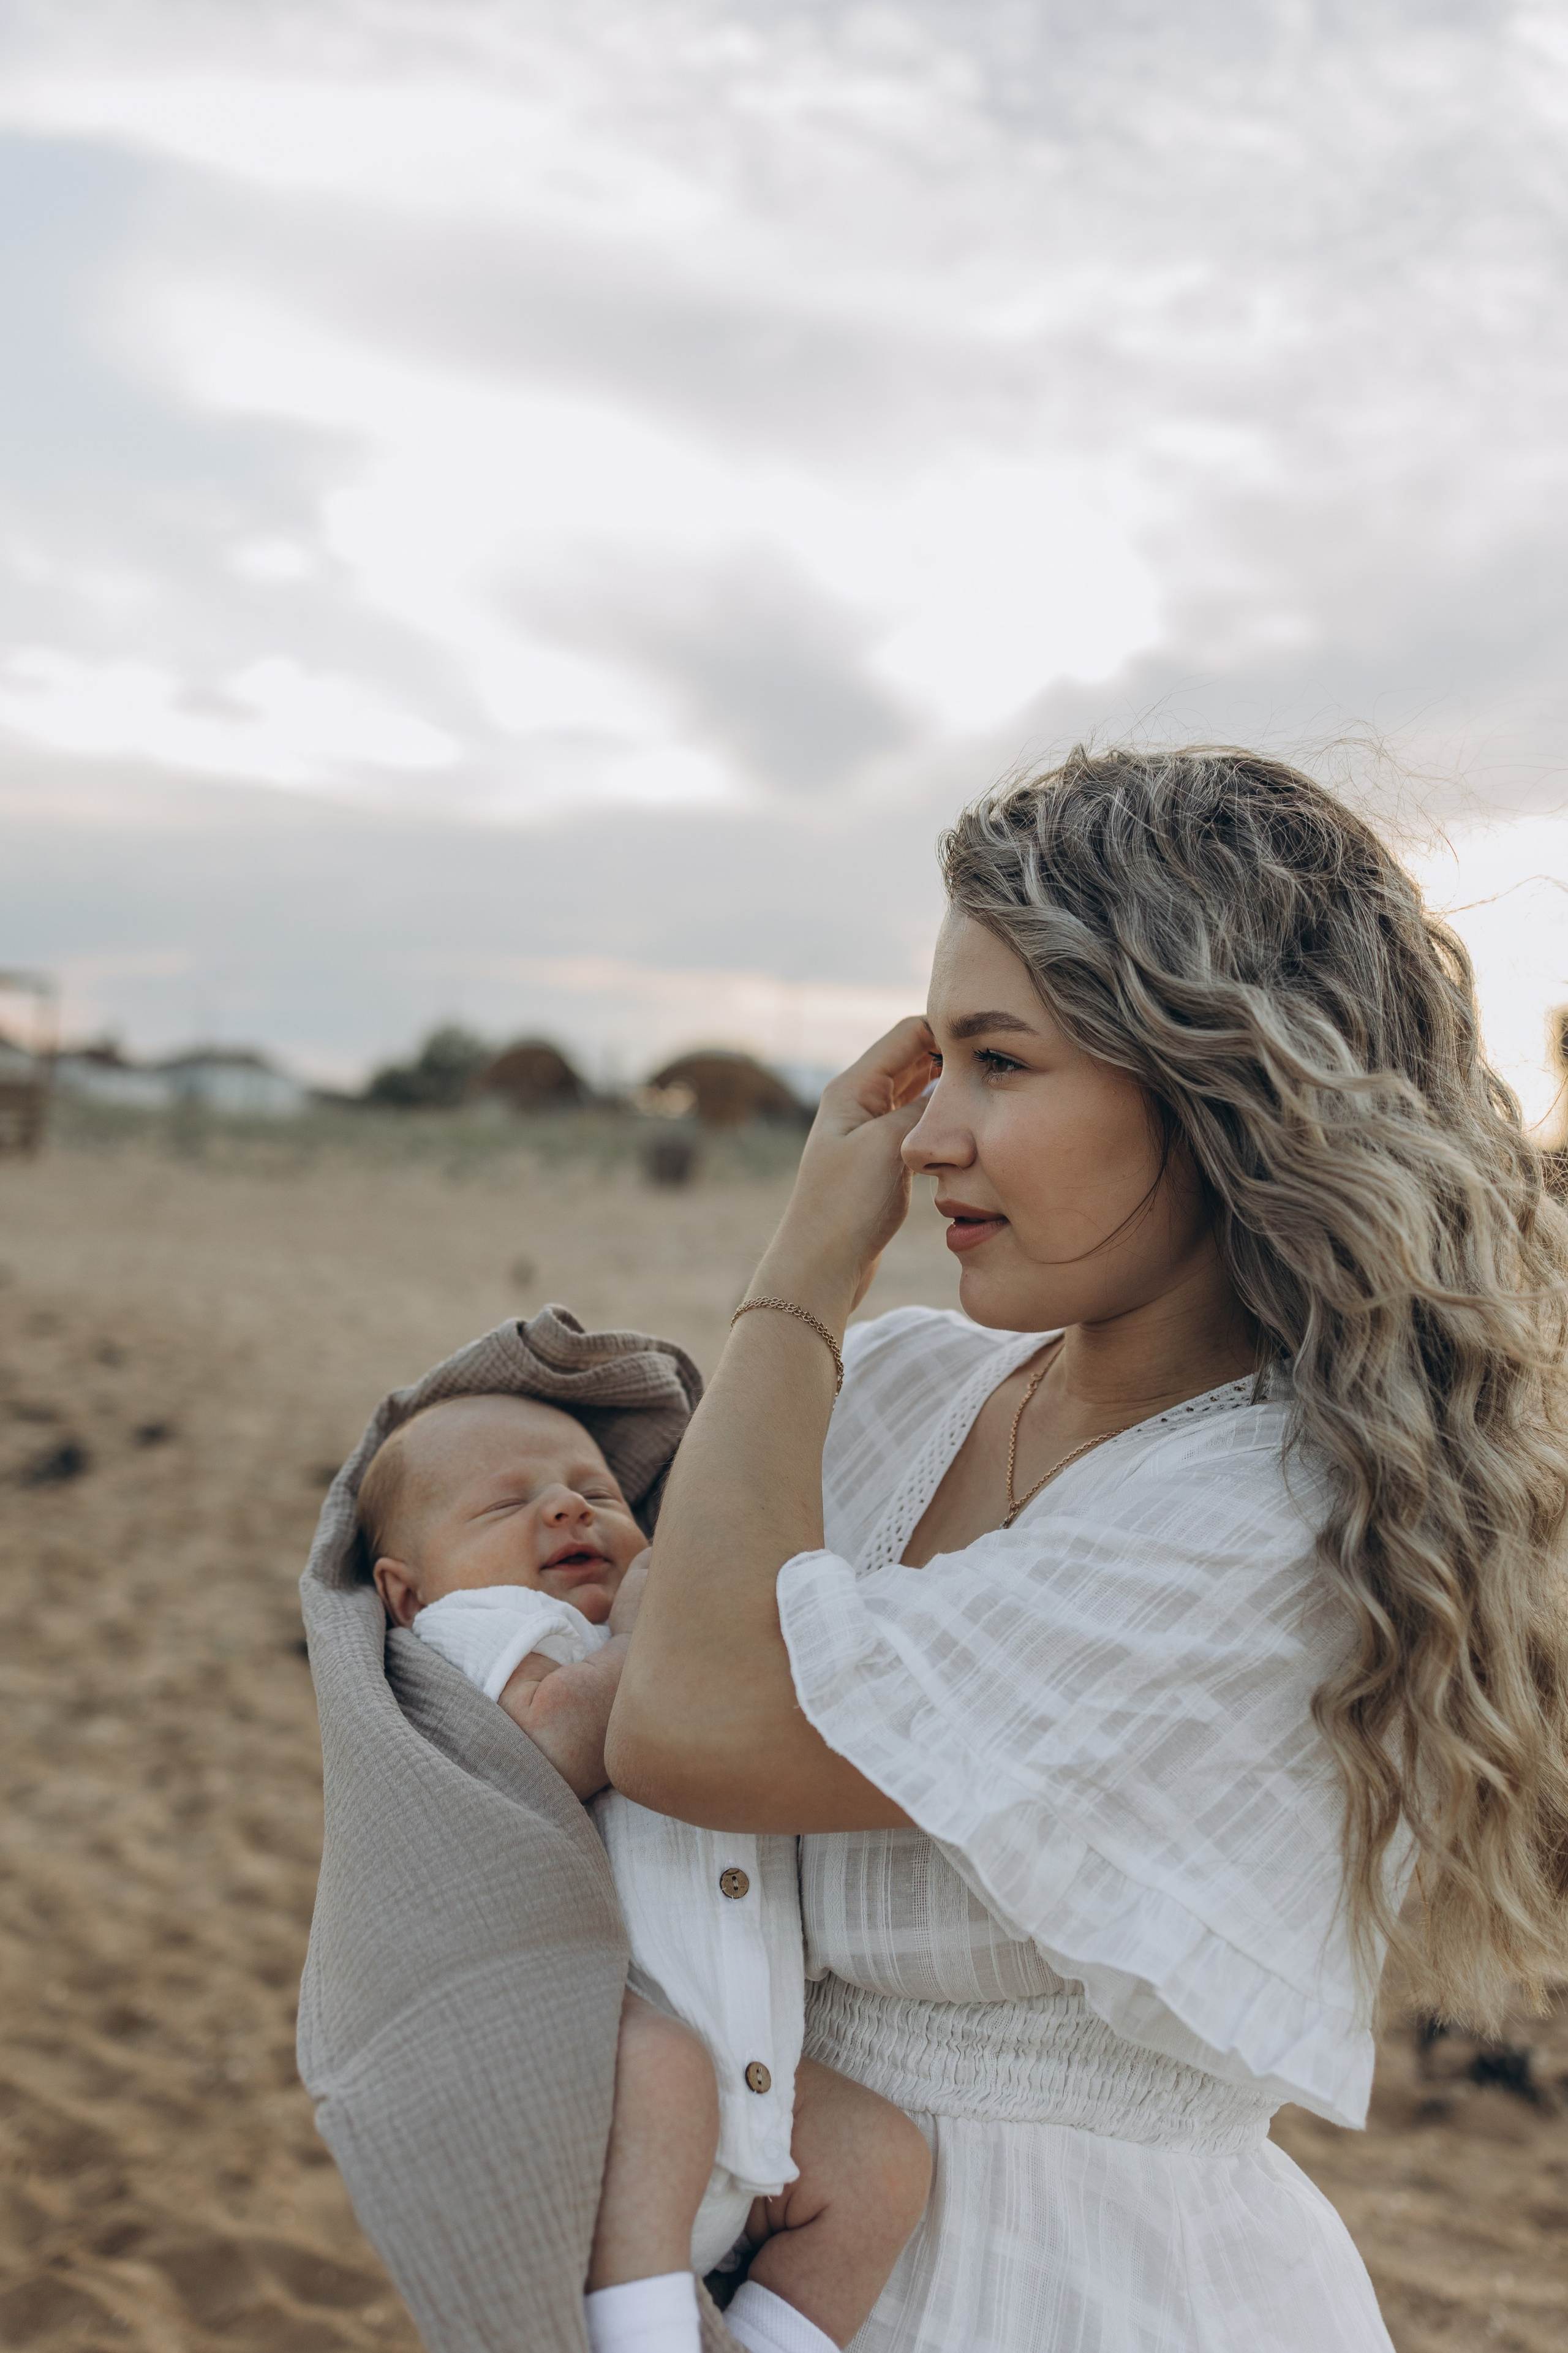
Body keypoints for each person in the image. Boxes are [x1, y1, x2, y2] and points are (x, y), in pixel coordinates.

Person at [606, 744, 1568, 2352]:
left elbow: (692, 1722)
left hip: (1081, 2287)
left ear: (1222, 1086)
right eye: (934, 1063)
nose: (922, 1141)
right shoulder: (907, 1385)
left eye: (1001, 1062)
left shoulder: (1269, 1525)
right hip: (777, 2242)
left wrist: (795, 1284)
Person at [356, 1391, 932, 2353]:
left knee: (882, 2161)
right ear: (406, 1591)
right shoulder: (474, 1637)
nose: (568, 1510)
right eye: (506, 1506)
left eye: (597, 1493)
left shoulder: (622, 1626)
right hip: (610, 2117)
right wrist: (659, 1620)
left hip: (755, 2104)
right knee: (660, 2064)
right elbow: (558, 1735)